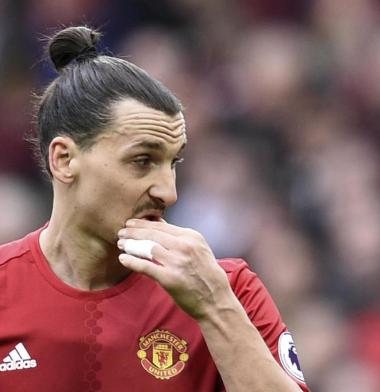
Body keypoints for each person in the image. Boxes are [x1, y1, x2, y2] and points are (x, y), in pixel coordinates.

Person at [0, 26, 310, 392]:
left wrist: (214, 308)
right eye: (142, 161)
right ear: (64, 160)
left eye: (173, 163)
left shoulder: (229, 290)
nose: (169, 192)